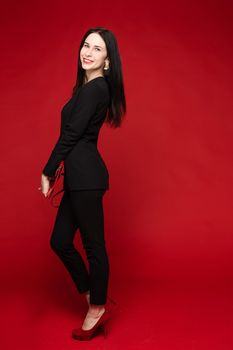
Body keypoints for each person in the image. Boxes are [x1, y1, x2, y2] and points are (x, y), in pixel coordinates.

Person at [38, 27, 126, 340]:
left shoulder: (96, 89)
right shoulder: (87, 89)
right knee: (60, 241)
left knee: (94, 246)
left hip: (87, 179)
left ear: (108, 61)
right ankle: (93, 297)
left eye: (97, 49)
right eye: (85, 45)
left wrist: (48, 170)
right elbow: (74, 135)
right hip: (79, 178)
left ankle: (97, 307)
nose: (87, 52)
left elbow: (72, 135)